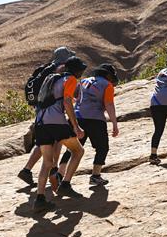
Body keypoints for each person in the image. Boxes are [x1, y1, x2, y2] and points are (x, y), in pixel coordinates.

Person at [32, 56, 87, 212]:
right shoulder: (69, 79)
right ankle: (66, 185)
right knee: (78, 150)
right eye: (81, 70)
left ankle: (40, 199)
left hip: (40, 123)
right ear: (76, 70)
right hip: (56, 121)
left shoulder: (53, 78)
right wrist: (76, 126)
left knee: (47, 163)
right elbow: (67, 102)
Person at [19, 46, 76, 187]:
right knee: (55, 140)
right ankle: (53, 171)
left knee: (43, 142)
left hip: (41, 109)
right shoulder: (61, 69)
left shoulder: (46, 68)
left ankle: (27, 170)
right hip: (51, 109)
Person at [58, 63, 119, 186]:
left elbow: (75, 95)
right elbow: (109, 104)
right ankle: (95, 176)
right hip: (95, 119)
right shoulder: (107, 85)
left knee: (73, 148)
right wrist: (114, 124)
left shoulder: (84, 81)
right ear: (108, 75)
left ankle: (59, 174)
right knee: (102, 147)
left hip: (77, 117)